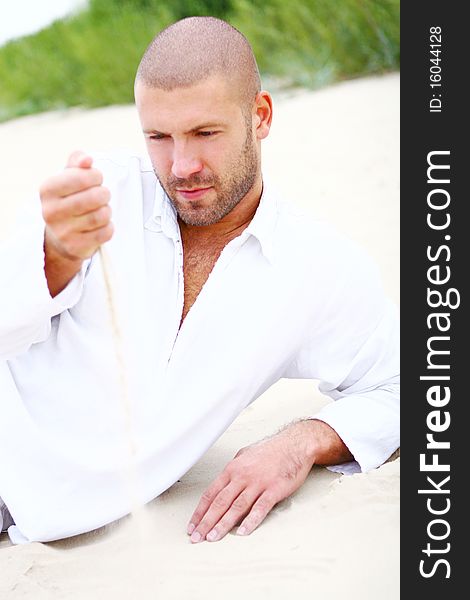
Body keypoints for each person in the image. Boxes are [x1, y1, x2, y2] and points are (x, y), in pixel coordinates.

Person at [0, 16, 399, 545]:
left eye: (205, 133)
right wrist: (54, 259)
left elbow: (413, 386)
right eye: (159, 137)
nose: (182, 165)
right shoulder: (98, 198)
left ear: (260, 116)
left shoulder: (317, 267)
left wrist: (303, 441)